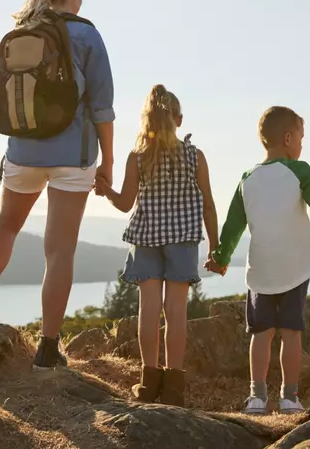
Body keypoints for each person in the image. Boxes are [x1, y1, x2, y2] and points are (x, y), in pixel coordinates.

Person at [0, 0, 116, 371]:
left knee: (6, 224)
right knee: (59, 252)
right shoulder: (86, 35)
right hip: (72, 156)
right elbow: (102, 109)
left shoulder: (22, 30)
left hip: (22, 151)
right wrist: (107, 162)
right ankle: (48, 348)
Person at [206, 106, 310, 415]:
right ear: (289, 137)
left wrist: (221, 259)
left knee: (261, 334)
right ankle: (289, 397)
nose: (302, 145)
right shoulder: (300, 170)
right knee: (291, 333)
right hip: (295, 268)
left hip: (261, 270)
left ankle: (256, 398)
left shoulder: (247, 178)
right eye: (302, 138)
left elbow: (232, 227)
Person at [95, 85, 219, 407]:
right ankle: (174, 386)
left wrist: (105, 190)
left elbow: (124, 204)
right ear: (178, 119)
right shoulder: (195, 156)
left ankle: (148, 382)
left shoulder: (138, 157)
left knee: (148, 311)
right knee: (176, 313)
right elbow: (208, 205)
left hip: (146, 237)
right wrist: (216, 248)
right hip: (182, 240)